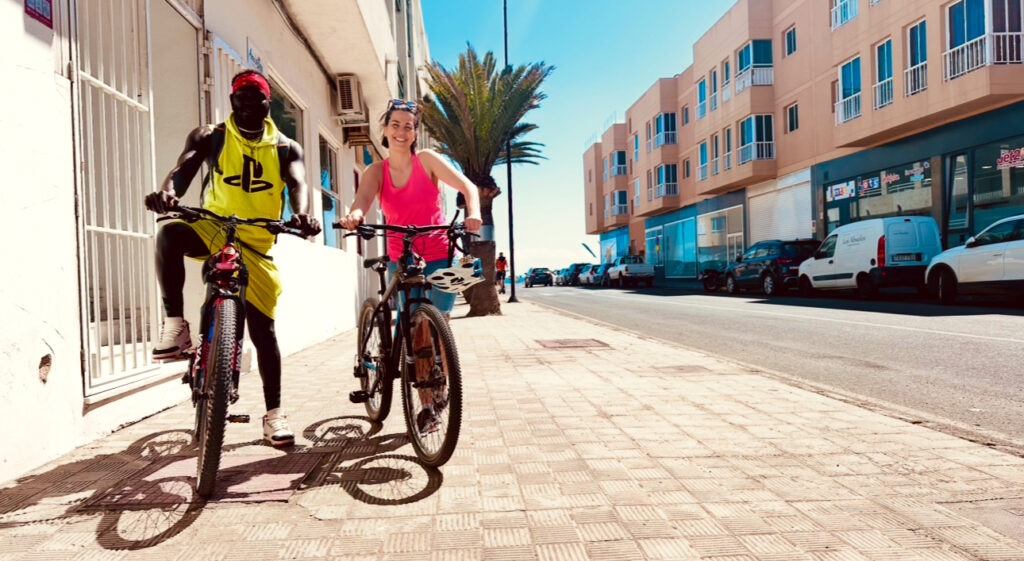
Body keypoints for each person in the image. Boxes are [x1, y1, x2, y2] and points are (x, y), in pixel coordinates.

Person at [144, 69, 321, 448]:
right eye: (238, 100)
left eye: (254, 100)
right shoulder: (211, 136)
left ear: (267, 103)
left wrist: (303, 214)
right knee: (170, 233)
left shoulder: (285, 146)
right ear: (231, 102)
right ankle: (175, 324)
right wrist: (168, 194)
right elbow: (183, 169)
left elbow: (298, 184)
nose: (245, 107)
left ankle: (274, 415)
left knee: (264, 332)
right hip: (213, 229)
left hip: (256, 243)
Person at [339, 99, 481, 433]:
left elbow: (468, 187)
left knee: (439, 324)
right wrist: (354, 216)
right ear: (385, 129)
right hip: (401, 256)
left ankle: (442, 384)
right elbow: (362, 201)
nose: (402, 131)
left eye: (409, 125)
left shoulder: (427, 161)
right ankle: (427, 408)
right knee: (417, 330)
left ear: (415, 132)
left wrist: (473, 211)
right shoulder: (377, 171)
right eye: (396, 124)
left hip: (438, 250)